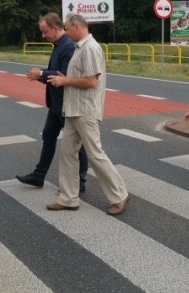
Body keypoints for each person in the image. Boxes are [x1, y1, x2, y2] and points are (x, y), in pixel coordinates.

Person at [45, 14, 130, 215]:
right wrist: (66, 78)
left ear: (76, 27)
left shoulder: (91, 48)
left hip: (85, 110)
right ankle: (69, 198)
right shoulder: (79, 48)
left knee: (95, 154)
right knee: (67, 153)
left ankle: (120, 195)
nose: (65, 32)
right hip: (74, 108)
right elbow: (81, 78)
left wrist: (65, 82)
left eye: (66, 28)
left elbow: (92, 82)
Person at [16, 12, 89, 191]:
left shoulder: (68, 47)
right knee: (48, 137)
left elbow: (64, 75)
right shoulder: (58, 44)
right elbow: (55, 73)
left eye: (45, 31)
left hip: (67, 104)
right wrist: (41, 74)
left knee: (77, 145)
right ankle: (39, 176)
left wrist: (41, 74)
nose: (43, 35)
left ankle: (80, 182)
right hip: (56, 105)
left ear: (56, 29)